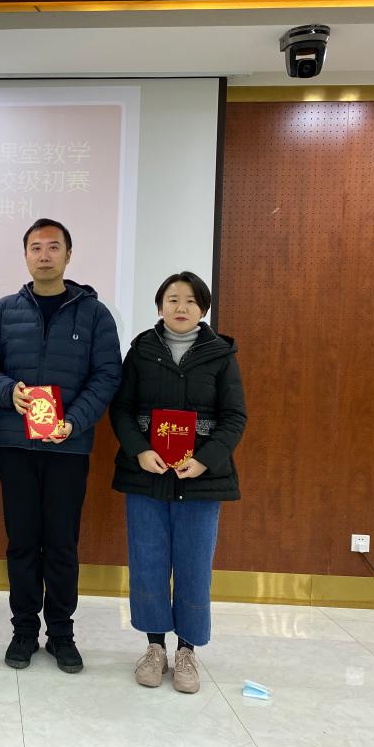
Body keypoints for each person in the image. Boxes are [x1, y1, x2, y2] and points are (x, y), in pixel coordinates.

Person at [0, 218, 122, 674]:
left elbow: (107, 375)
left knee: (61, 543)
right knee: (21, 541)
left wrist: (74, 421)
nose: (44, 255)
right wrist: (8, 393)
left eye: (53, 247)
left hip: (68, 447)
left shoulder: (94, 314)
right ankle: (23, 629)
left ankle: (61, 632)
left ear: (68, 255)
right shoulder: (4, 311)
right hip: (16, 445)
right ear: (25, 255)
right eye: (36, 247)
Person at [109, 271, 246, 693]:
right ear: (159, 306)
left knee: (193, 564)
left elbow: (234, 417)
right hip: (147, 473)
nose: (181, 307)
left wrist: (205, 460)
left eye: (189, 300)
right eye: (172, 299)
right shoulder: (141, 350)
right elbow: (121, 409)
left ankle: (187, 650)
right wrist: (139, 450)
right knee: (148, 561)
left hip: (200, 478)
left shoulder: (221, 354)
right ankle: (154, 648)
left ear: (203, 308)